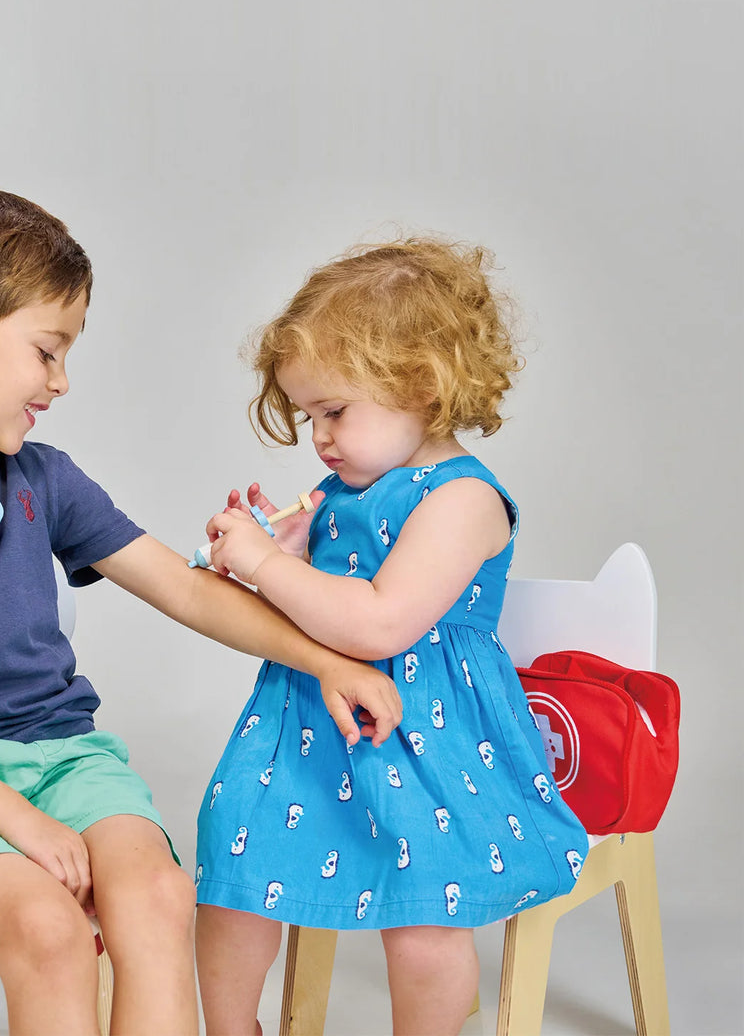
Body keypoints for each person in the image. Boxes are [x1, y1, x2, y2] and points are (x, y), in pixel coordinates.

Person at [0, 181, 402, 1036]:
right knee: (47, 928)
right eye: (47, 351)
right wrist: (23, 824)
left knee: (158, 894)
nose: (62, 381)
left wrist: (328, 661)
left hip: (64, 758)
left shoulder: (43, 478)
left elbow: (186, 588)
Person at [193, 238, 590, 1036]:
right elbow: (319, 610)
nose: (319, 438)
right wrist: (288, 559)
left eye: (334, 411)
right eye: (309, 416)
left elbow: (380, 621)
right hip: (305, 725)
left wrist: (268, 564)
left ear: (422, 385)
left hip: (423, 735)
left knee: (423, 922)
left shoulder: (463, 499)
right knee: (233, 870)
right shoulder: (343, 490)